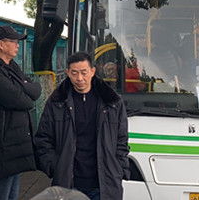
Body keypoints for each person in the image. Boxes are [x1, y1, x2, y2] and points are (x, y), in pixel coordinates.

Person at [34, 52, 130, 200]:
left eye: (84, 72)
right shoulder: (57, 103)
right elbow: (43, 139)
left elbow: (121, 140)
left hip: (104, 181)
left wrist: (118, 168)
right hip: (69, 183)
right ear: (67, 73)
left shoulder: (112, 102)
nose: (79, 78)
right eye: (74, 73)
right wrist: (55, 166)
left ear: (92, 71)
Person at [0, 25, 42, 200]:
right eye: (13, 41)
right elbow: (16, 99)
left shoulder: (12, 66)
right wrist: (24, 89)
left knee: (13, 194)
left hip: (15, 145)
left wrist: (23, 88)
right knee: (0, 194)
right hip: (1, 144)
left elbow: (36, 90)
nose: (17, 45)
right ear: (1, 44)